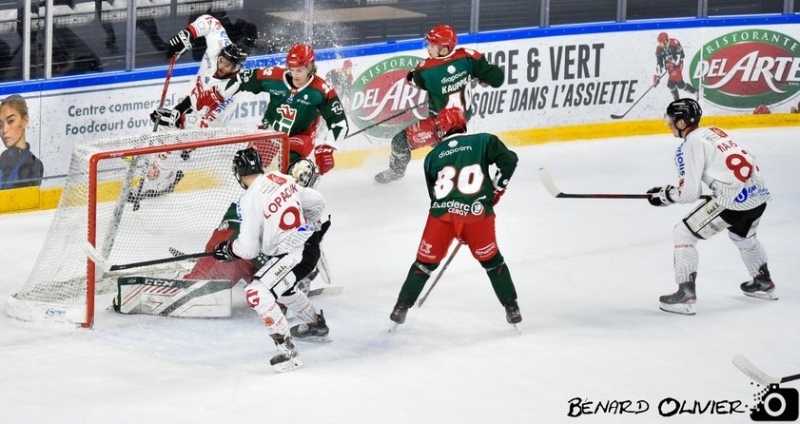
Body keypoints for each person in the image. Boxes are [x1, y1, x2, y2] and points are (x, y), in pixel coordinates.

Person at [388, 108, 521, 331]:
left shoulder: (432, 156)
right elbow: (510, 161)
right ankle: (512, 308)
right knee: (493, 262)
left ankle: (400, 308)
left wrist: (456, 222)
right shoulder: (484, 140)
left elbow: (435, 195)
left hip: (441, 218)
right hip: (477, 215)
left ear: (441, 129)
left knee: (423, 265)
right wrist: (497, 188)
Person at [646, 98, 776, 316]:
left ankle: (685, 295)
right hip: (758, 195)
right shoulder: (715, 131)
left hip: (733, 202)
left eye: (672, 119)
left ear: (681, 123)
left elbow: (689, 194)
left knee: (683, 234)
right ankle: (763, 281)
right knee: (743, 238)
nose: (668, 123)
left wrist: (665, 195)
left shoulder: (689, 145)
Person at [211, 147, 330, 373]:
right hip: (308, 250)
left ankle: (288, 353)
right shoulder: (281, 178)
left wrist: (228, 249)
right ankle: (316, 325)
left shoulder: (249, 199)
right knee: (283, 290)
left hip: (293, 254)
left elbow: (248, 249)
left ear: (238, 173)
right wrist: (306, 229)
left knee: (256, 292)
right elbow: (317, 202)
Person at [132, 14, 248, 209]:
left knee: (173, 138)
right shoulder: (219, 47)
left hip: (208, 120)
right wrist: (187, 34)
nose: (222, 67)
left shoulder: (230, 89)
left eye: (229, 66)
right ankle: (168, 172)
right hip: (195, 94)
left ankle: (160, 182)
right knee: (167, 132)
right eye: (222, 61)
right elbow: (211, 22)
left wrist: (175, 118)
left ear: (236, 68)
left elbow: (202, 122)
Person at [374, 24, 505, 184]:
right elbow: (493, 75)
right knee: (444, 152)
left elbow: (411, 79)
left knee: (400, 141)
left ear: (443, 49)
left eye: (432, 45)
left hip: (439, 125)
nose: (428, 48)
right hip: (462, 120)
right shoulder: (468, 57)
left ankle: (397, 171)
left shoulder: (426, 69)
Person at [236, 42, 349, 182]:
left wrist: (328, 147)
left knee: (297, 171)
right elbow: (239, 80)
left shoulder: (322, 90)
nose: (295, 75)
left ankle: (297, 194)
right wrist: (217, 93)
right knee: (248, 166)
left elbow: (339, 123)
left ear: (310, 66)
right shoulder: (274, 77)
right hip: (270, 132)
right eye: (292, 69)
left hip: (300, 136)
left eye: (300, 70)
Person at [0, 94, 43, 190]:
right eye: (0, 125)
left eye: (10, 121)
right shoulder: (5, 157)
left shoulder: (34, 164)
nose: (4, 130)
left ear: (24, 121)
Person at [653, 32, 698, 101]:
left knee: (670, 84)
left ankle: (677, 101)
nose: (659, 44)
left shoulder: (675, 43)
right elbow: (659, 63)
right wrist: (658, 75)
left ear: (665, 41)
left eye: (661, 42)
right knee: (680, 85)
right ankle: (695, 91)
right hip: (670, 67)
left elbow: (679, 58)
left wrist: (672, 60)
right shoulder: (659, 49)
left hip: (678, 65)